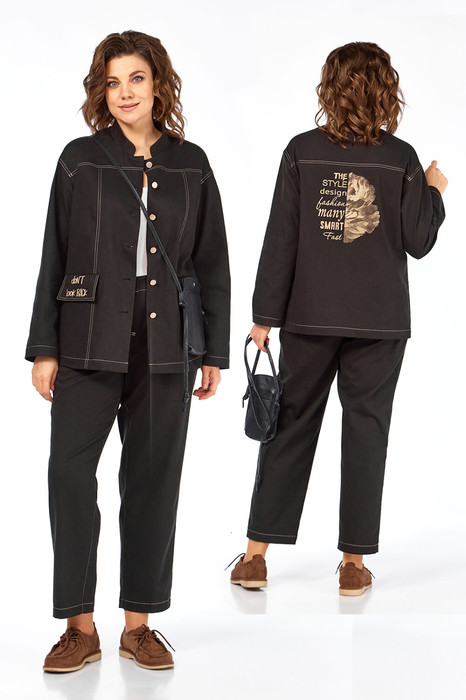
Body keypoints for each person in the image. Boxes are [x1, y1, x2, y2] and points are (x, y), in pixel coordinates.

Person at [26, 30, 230, 672]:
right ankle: (78, 627)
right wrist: (44, 347)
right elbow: (54, 252)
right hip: (87, 338)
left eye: (136, 78)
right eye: (112, 82)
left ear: (158, 83)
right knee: (68, 476)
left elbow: (212, 263)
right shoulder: (79, 159)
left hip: (167, 344)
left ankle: (138, 625)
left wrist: (213, 352)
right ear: (101, 91)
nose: (125, 93)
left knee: (152, 481)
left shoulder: (192, 163)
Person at [229, 42, 446, 597]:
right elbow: (420, 240)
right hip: (380, 322)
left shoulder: (301, 151)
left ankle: (255, 557)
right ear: (387, 90)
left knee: (288, 425)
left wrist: (264, 317)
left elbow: (281, 238)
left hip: (310, 317)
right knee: (367, 431)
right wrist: (434, 191)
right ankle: (353, 564)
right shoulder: (400, 158)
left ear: (329, 87)